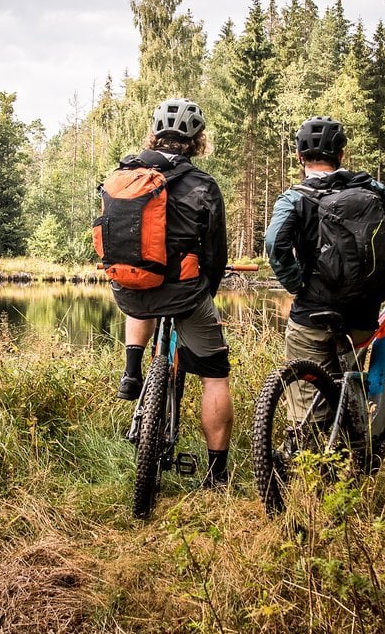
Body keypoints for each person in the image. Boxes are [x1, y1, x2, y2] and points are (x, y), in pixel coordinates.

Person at [264, 116, 385, 423]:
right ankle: (358, 438)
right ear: (341, 154)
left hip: (313, 313)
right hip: (362, 314)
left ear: (300, 157)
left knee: (306, 401)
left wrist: (296, 284)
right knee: (350, 379)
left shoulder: (294, 198)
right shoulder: (370, 189)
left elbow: (275, 242)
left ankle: (309, 449)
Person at [107, 98, 232, 488]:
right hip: (185, 293)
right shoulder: (203, 185)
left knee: (138, 281)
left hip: (129, 292)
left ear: (154, 134)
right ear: (197, 141)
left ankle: (132, 372)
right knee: (215, 376)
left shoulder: (124, 174)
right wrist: (206, 292)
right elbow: (215, 254)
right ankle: (216, 475)